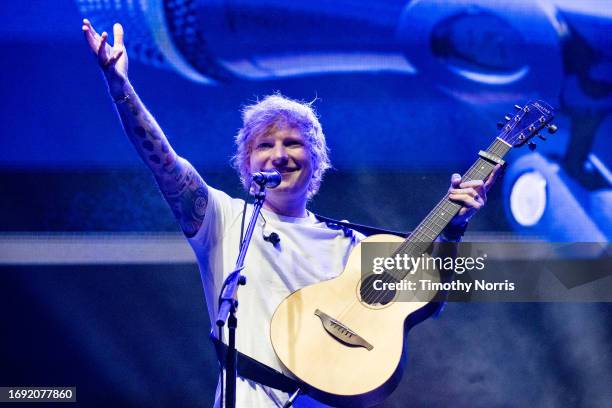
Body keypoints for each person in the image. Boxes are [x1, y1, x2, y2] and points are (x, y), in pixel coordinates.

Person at [82, 20, 501, 407]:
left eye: (293, 144)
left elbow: (429, 299)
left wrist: (455, 228)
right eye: (264, 145)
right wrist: (120, 87)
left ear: (316, 160)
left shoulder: (352, 245)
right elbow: (164, 163)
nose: (279, 155)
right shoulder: (224, 220)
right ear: (246, 164)